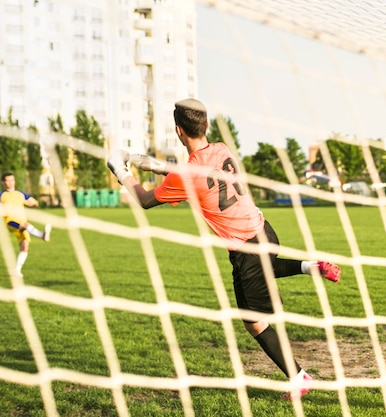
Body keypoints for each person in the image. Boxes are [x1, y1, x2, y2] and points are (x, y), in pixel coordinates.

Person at [107, 98, 340, 400]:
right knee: (268, 266)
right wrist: (149, 163)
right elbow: (194, 172)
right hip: (264, 230)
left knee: (253, 321)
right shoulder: (222, 149)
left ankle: (299, 377)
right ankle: (310, 266)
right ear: (205, 125)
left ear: (178, 131)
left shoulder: (186, 172)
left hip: (244, 248)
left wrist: (120, 170)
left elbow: (145, 199)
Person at [1, 172, 52, 278]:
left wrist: (34, 203)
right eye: (7, 180)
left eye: (12, 180)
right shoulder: (2, 195)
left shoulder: (21, 194)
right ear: (3, 182)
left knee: (24, 246)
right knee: (25, 225)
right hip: (10, 222)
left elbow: (32, 202)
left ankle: (17, 270)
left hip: (23, 221)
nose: (10, 182)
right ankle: (42, 235)